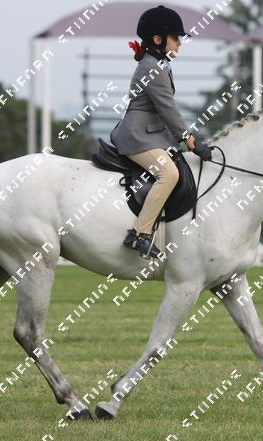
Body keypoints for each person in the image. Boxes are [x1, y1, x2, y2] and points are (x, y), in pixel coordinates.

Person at [111, 4, 212, 259]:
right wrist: (191, 142)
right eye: (175, 37)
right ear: (158, 39)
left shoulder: (158, 63)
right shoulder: (152, 68)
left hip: (151, 134)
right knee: (168, 174)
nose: (179, 42)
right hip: (138, 136)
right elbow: (169, 110)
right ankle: (140, 234)